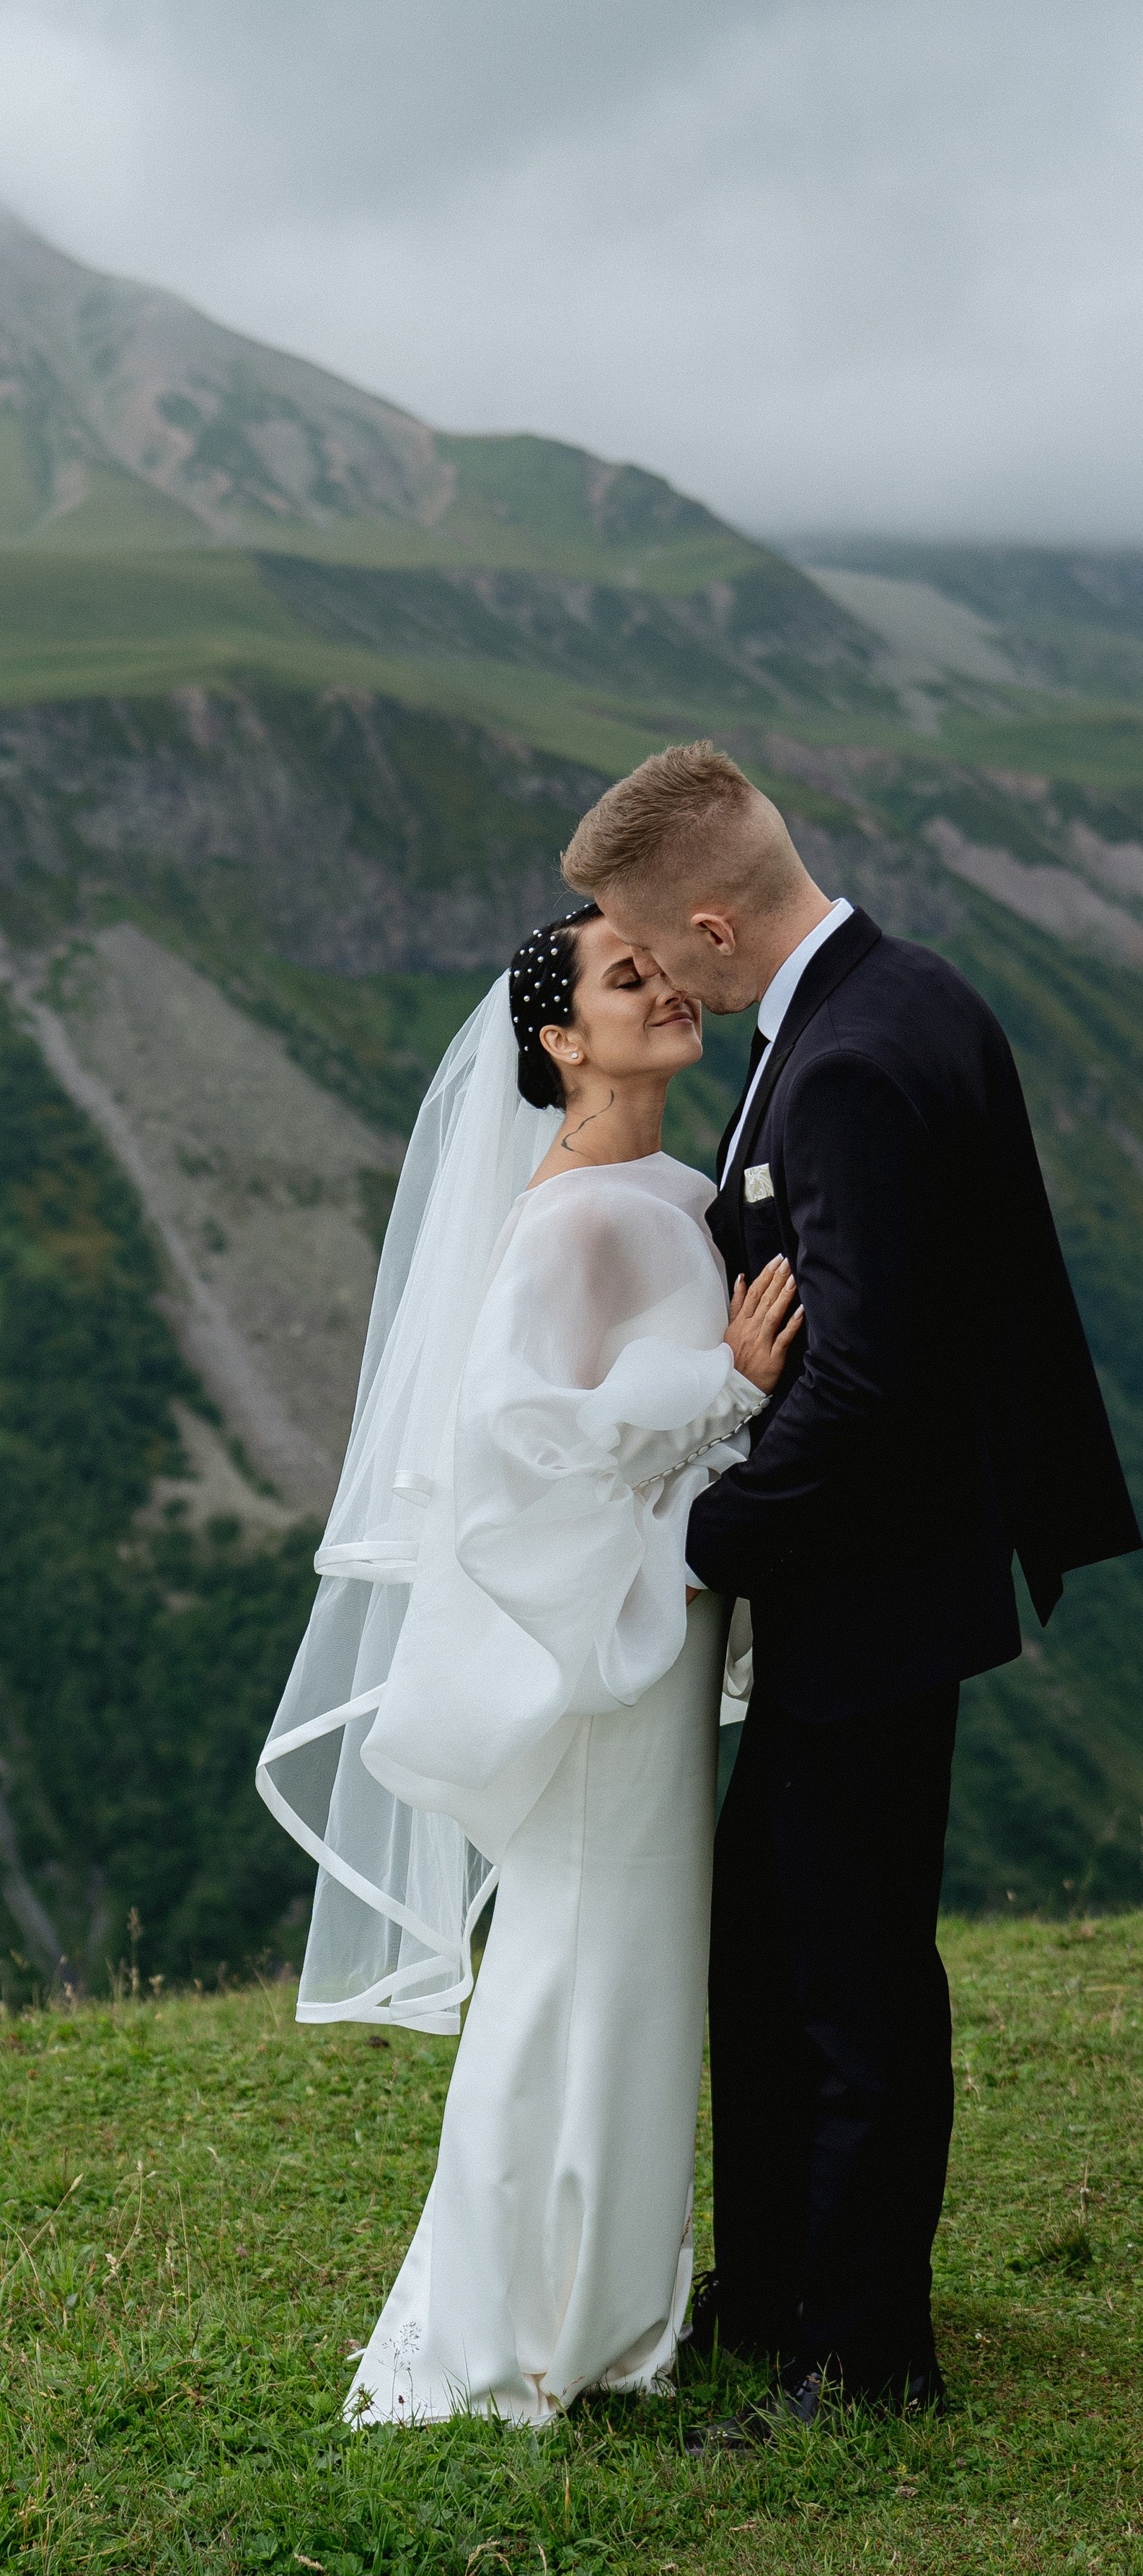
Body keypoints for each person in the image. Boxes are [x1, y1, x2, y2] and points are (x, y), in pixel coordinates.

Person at [560, 740, 1138, 2442]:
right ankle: (788, 2287)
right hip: (884, 1584)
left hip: (864, 1603)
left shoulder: (844, 1069)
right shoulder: (904, 991)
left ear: (716, 925)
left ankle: (860, 2360)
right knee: (767, 1945)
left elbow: (866, 1381)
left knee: (853, 1989)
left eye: (653, 949)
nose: (649, 978)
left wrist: (701, 1546)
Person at [258, 902, 801, 2424]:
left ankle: (603, 2314)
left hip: (654, 1634)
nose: (663, 994)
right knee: (569, 1967)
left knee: (627, 1977)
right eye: (625, 981)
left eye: (661, 969)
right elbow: (506, 1445)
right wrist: (720, 1388)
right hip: (604, 1651)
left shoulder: (663, 1189)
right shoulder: (570, 1214)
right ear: (560, 1041)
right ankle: (500, 2343)